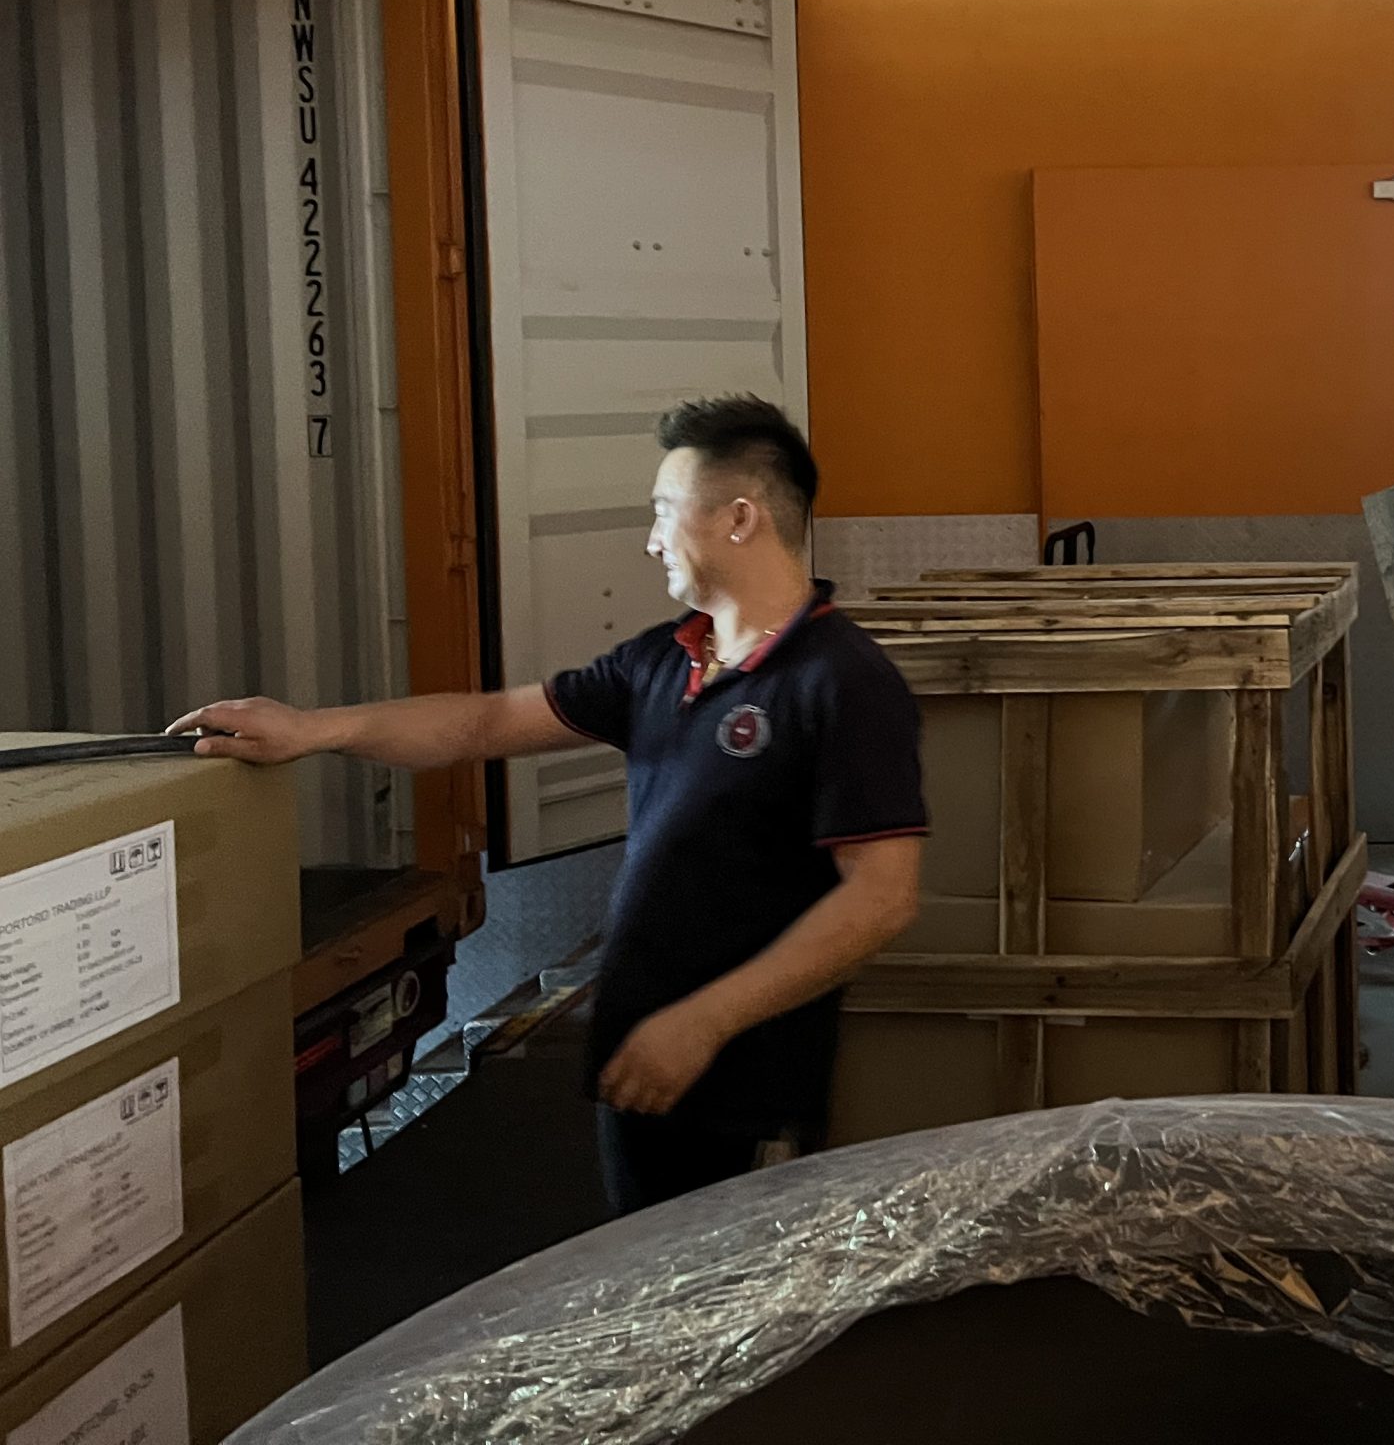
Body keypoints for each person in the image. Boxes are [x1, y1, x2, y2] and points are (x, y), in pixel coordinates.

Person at [172, 396, 925, 1215]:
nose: (649, 539)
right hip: (648, 1070)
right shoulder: (664, 661)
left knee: (729, 1320)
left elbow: (880, 898)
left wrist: (704, 1023)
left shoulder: (841, 681)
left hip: (740, 1085)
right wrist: (314, 730)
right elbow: (487, 720)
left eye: (663, 513)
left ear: (740, 518)